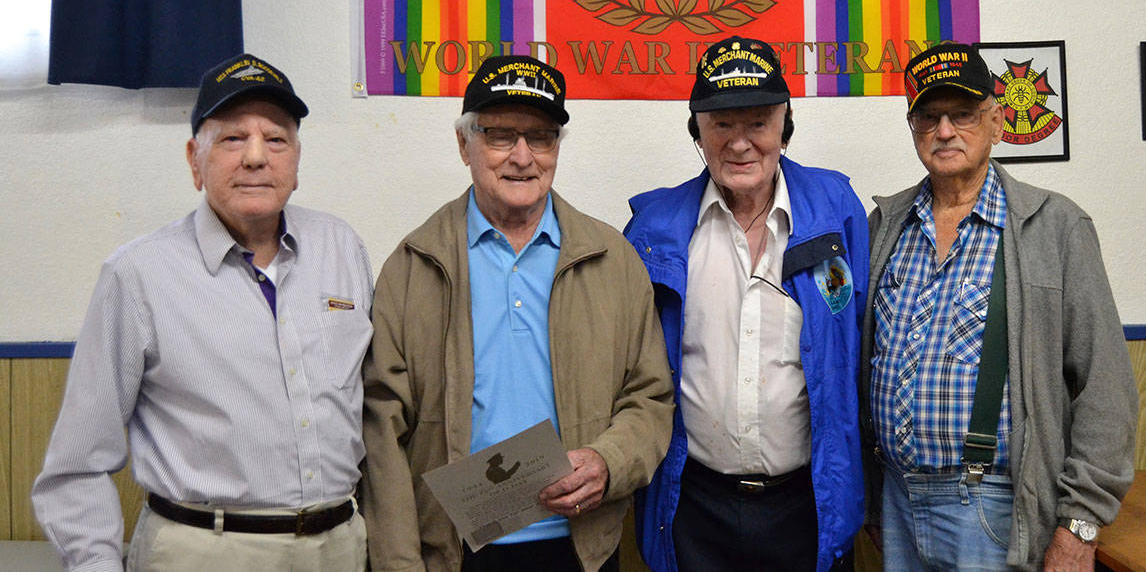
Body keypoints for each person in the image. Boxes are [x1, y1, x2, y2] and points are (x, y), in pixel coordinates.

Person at [32, 53, 374, 571]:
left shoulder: (342, 247)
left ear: (297, 159)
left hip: (340, 547)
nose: (257, 157)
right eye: (233, 139)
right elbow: (77, 466)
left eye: (276, 139)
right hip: (204, 551)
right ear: (195, 159)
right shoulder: (138, 274)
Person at [361, 54, 674, 572]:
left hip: (582, 548)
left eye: (542, 137)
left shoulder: (611, 258)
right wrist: (398, 563)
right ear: (464, 144)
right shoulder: (414, 266)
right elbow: (382, 433)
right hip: (456, 553)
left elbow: (650, 395)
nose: (523, 157)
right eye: (501, 135)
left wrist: (608, 462)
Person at [859, 42, 1138, 571]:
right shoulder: (886, 227)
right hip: (896, 504)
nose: (944, 131)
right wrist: (874, 495)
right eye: (928, 116)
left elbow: (1106, 387)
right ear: (913, 127)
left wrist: (1081, 522)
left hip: (994, 509)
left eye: (962, 114)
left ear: (997, 121)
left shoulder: (1054, 228)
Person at [625, 36, 868, 571]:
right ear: (697, 130)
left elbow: (863, 339)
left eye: (757, 122)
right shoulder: (654, 230)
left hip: (809, 502)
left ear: (785, 126)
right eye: (721, 124)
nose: (740, 144)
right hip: (693, 507)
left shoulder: (836, 211)